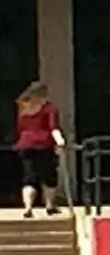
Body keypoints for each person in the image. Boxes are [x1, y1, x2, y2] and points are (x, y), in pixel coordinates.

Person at [13, 81, 62, 217]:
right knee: (49, 176)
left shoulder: (23, 108)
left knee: (29, 177)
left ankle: (28, 207)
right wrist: (60, 141)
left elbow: (20, 128)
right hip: (44, 144)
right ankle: (50, 206)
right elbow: (53, 127)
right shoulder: (49, 108)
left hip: (25, 144)